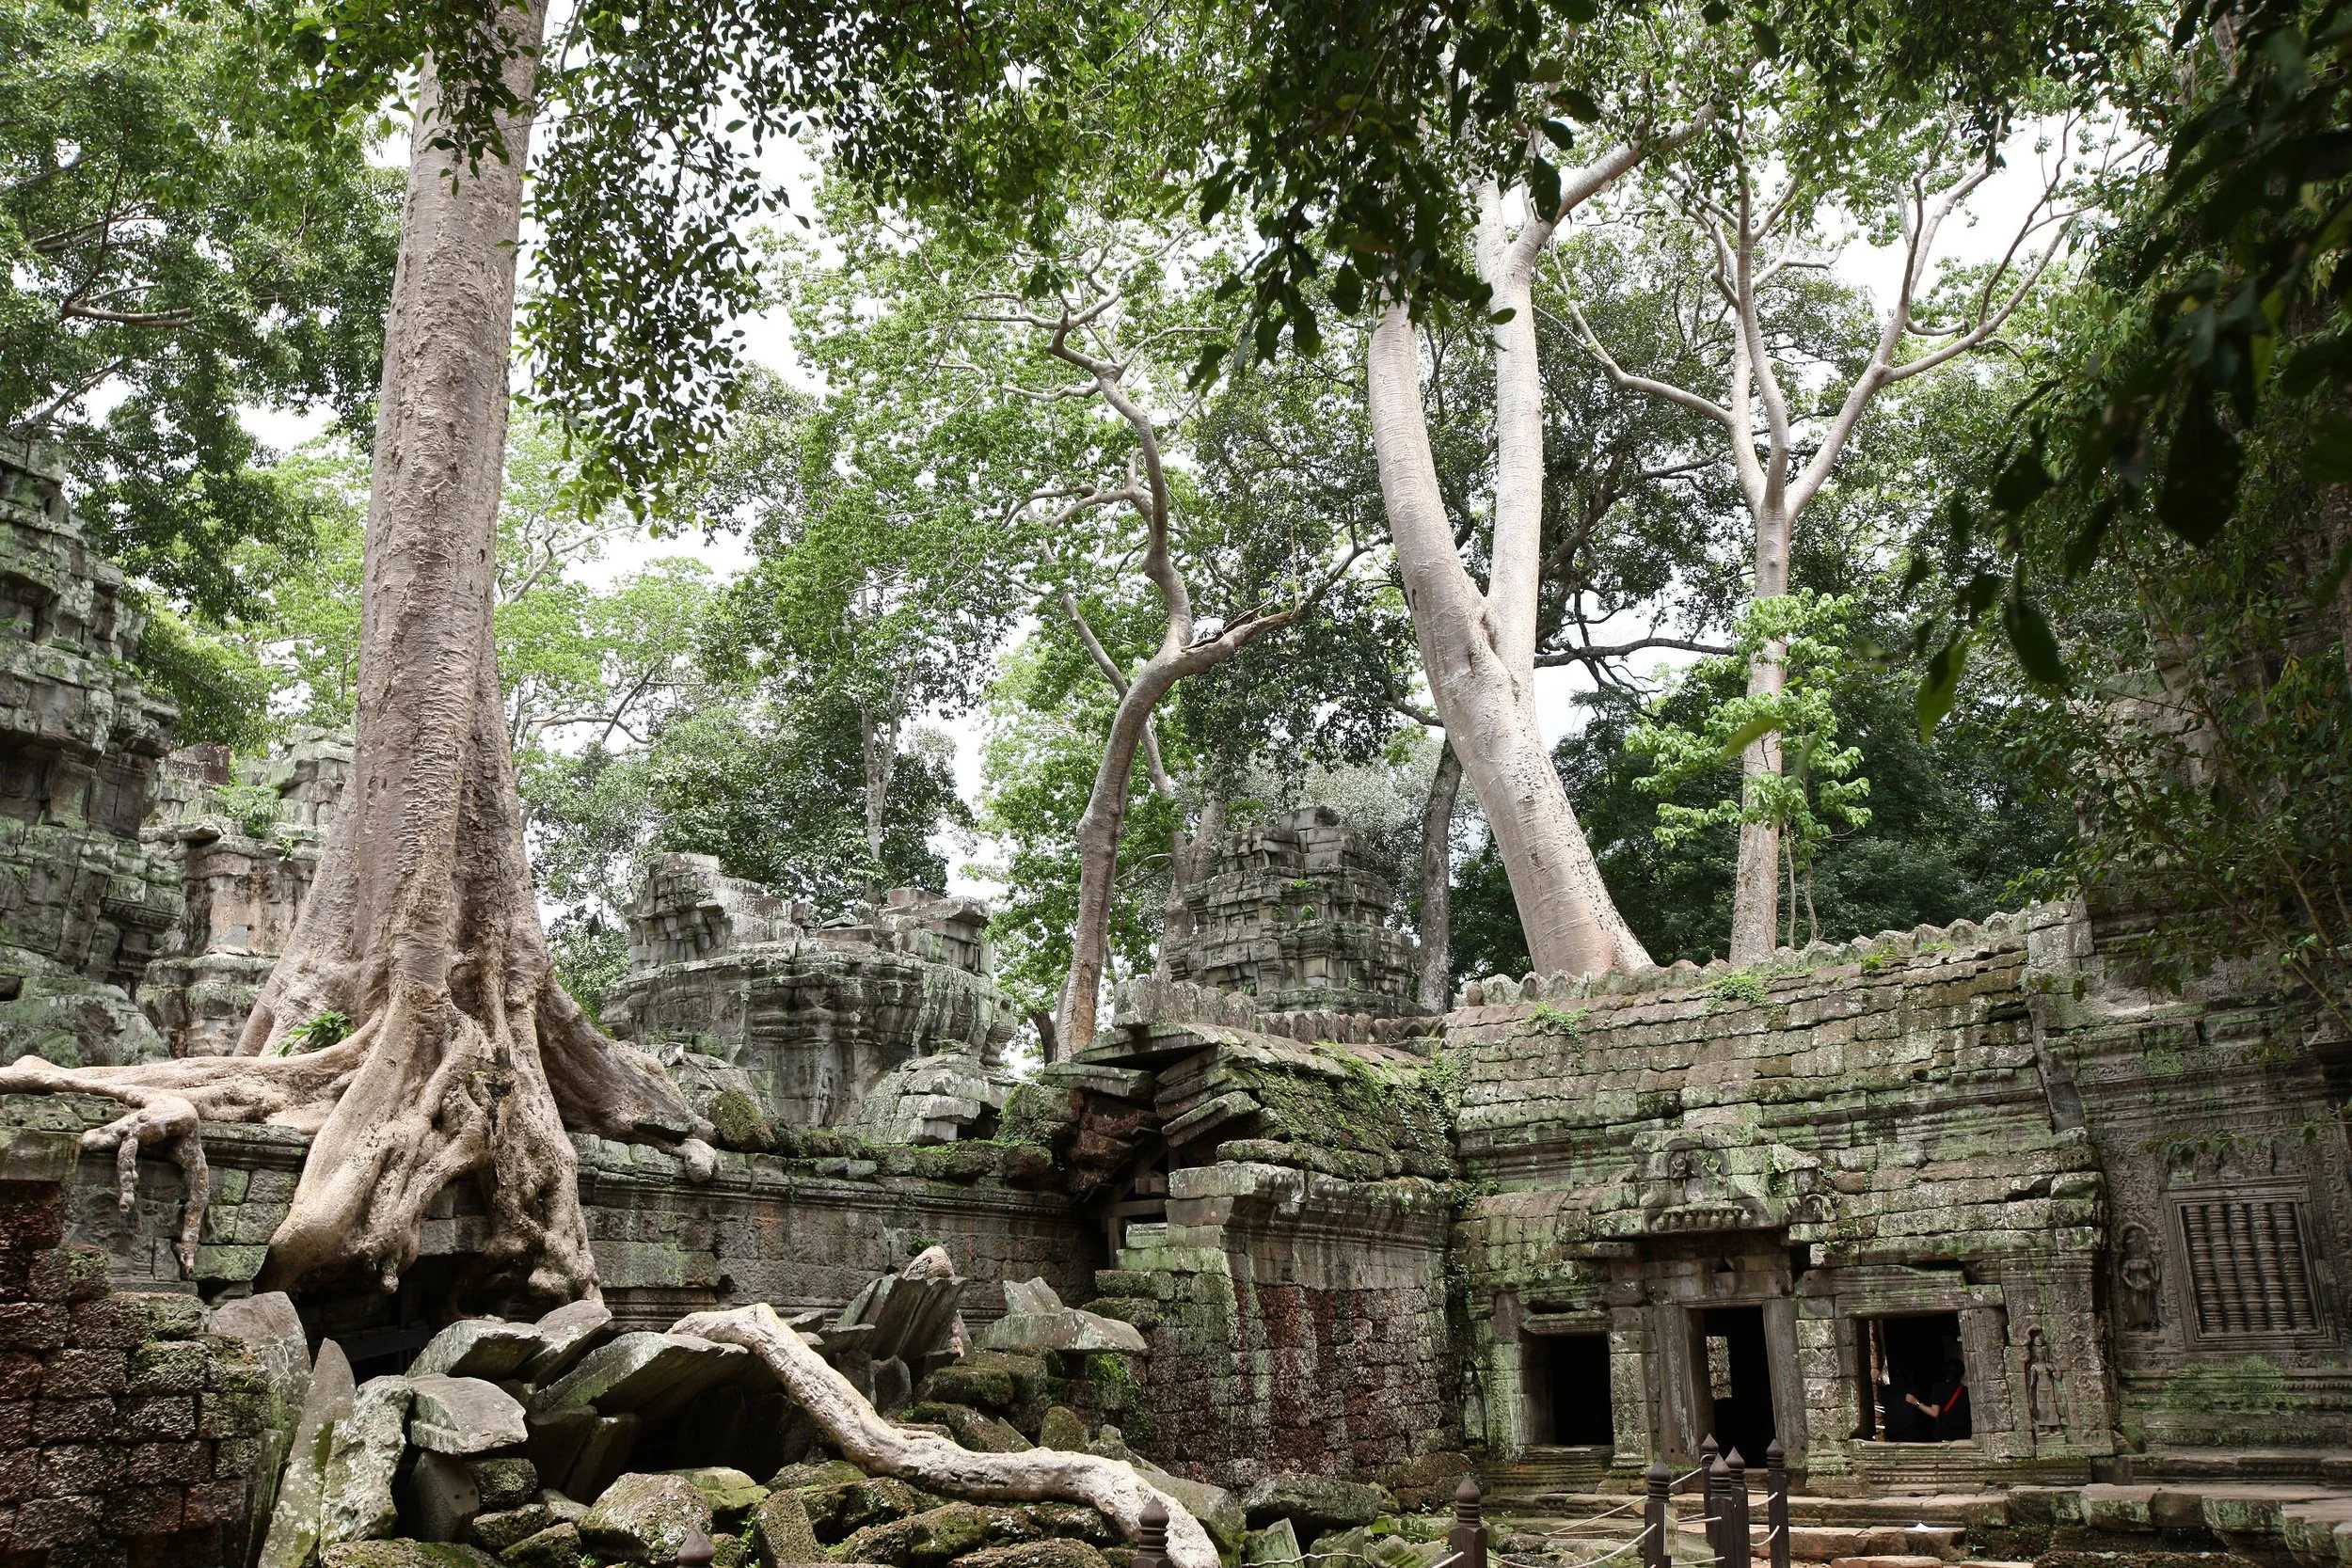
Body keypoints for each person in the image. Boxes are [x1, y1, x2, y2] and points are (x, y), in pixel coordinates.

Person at [1903, 1358, 1969, 1441]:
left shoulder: (1939, 1388)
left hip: (1946, 1435)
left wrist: (1916, 1403)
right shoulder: (1966, 1391)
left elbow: (1934, 1413)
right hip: (1964, 1435)